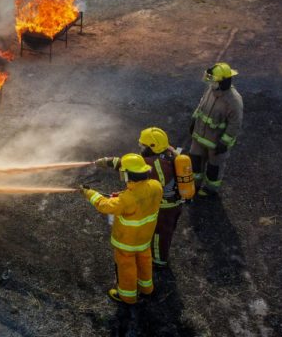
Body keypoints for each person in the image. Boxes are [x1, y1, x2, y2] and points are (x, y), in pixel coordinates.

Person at [95, 127, 184, 268]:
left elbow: (133, 169)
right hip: (174, 203)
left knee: (160, 234)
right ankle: (156, 255)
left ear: (152, 147)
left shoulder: (154, 164)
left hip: (165, 206)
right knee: (164, 232)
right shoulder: (169, 153)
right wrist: (108, 161)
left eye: (143, 145)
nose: (141, 148)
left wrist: (110, 163)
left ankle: (159, 261)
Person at [82, 153, 163, 304]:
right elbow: (139, 198)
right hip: (144, 239)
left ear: (127, 175)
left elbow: (104, 206)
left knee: (126, 267)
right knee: (144, 261)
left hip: (127, 242)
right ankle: (147, 288)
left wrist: (89, 193)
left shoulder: (126, 199)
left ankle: (127, 296)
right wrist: (121, 195)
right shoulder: (155, 186)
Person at [189, 62, 243, 196]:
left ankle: (210, 190)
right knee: (195, 161)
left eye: (213, 81)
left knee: (214, 167)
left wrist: (224, 143)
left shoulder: (233, 101)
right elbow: (202, 105)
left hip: (215, 143)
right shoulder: (212, 90)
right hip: (199, 136)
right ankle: (194, 185)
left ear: (224, 82)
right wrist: (194, 119)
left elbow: (235, 124)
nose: (210, 83)